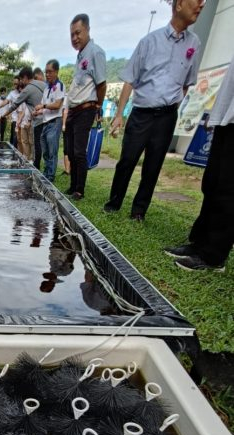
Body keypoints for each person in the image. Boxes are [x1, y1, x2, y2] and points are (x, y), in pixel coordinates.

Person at [104, 0, 204, 221]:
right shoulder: (150, 41)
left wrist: (174, 105)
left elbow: (187, 83)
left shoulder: (194, 44)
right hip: (141, 112)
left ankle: (139, 211)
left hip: (167, 115)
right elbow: (129, 79)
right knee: (127, 159)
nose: (201, 5)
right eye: (196, 1)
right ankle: (114, 202)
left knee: (153, 164)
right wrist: (119, 114)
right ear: (179, 5)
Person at [164, 53, 234, 272]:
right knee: (212, 182)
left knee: (228, 189)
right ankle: (199, 243)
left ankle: (214, 256)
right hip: (226, 117)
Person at [64, 13, 106, 201]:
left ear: (88, 29)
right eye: (72, 34)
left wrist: (97, 106)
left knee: (80, 151)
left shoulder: (95, 52)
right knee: (71, 150)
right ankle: (73, 185)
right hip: (74, 110)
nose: (75, 38)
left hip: (86, 109)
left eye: (78, 33)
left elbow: (101, 84)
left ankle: (80, 189)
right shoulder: (80, 56)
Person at [0, 66, 46, 168]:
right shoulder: (43, 84)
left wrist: (2, 115)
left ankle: (36, 168)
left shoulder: (27, 89)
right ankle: (43, 167)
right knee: (44, 145)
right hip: (48, 118)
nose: (20, 82)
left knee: (36, 144)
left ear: (25, 77)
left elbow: (14, 105)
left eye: (21, 79)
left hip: (39, 120)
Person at [34, 60, 64, 182]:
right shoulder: (47, 88)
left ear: (56, 72)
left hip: (55, 121)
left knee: (52, 150)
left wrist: (43, 107)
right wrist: (38, 111)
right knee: (45, 150)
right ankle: (46, 172)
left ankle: (50, 176)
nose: (47, 75)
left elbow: (57, 104)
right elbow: (44, 106)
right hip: (45, 122)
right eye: (46, 72)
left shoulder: (60, 86)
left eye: (50, 72)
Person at [7, 76, 20, 146]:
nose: (15, 85)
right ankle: (13, 155)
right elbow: (8, 104)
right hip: (14, 120)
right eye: (14, 84)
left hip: (23, 120)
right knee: (13, 138)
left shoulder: (24, 92)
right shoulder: (11, 93)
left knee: (20, 141)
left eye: (17, 83)